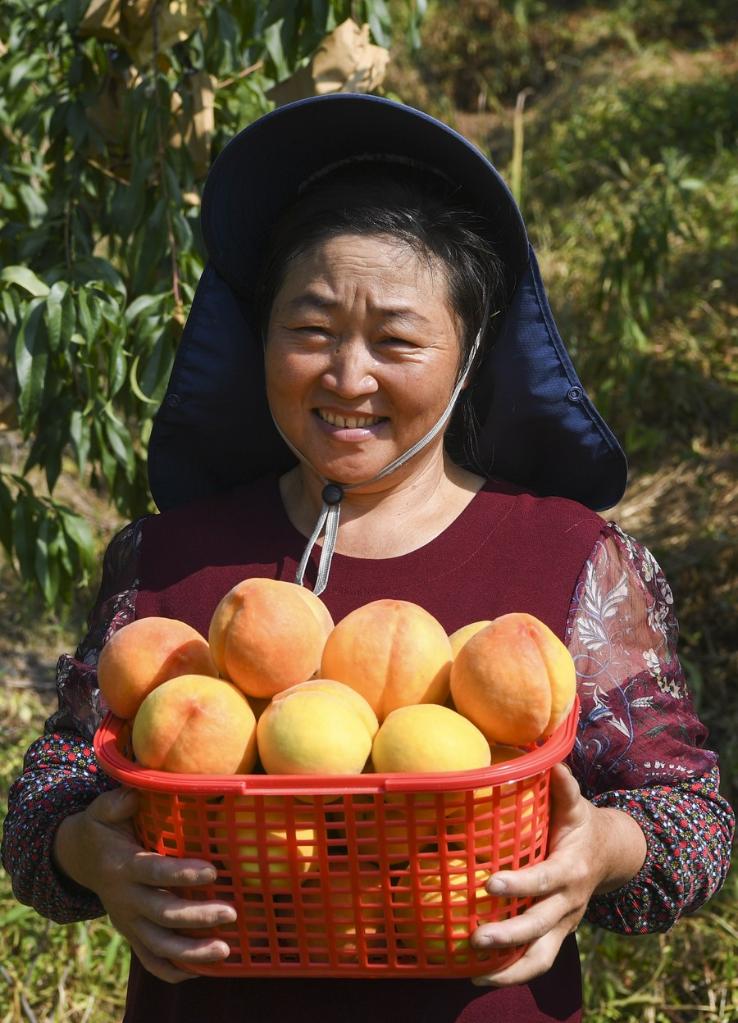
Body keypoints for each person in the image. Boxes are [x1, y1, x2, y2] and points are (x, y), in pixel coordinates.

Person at [2, 94, 733, 1023]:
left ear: (470, 356)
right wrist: (85, 852)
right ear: (259, 336)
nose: (347, 377)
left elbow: (693, 819)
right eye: (309, 330)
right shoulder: (168, 563)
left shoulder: (573, 560)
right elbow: (45, 798)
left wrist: (604, 851)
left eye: (396, 340)